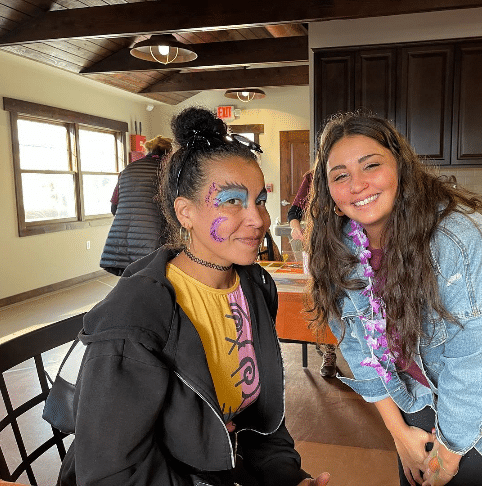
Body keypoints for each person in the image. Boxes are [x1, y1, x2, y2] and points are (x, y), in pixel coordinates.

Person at [58, 107, 330, 486]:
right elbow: (110, 474)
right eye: (233, 201)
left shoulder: (254, 287)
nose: (259, 219)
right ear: (185, 212)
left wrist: (286, 477)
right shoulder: (134, 318)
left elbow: (261, 424)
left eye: (261, 200)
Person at [304, 112, 482, 486]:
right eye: (340, 175)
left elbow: (478, 365)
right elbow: (360, 348)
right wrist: (399, 434)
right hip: (416, 385)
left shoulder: (456, 240)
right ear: (331, 196)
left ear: (402, 170)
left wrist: (448, 456)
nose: (357, 184)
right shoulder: (339, 247)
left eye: (371, 165)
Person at [287, 170, 338, 378]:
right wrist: (295, 227)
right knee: (323, 300)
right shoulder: (310, 178)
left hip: (344, 246)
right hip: (316, 248)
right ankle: (330, 352)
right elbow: (294, 212)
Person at [99, 135, 173, 276]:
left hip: (120, 240)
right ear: (169, 152)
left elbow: (114, 207)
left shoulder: (127, 170)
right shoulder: (166, 170)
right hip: (153, 239)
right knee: (154, 282)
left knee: (131, 283)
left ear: (148, 150)